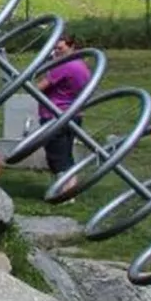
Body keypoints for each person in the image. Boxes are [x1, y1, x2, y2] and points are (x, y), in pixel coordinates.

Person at [34, 32, 90, 199]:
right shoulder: (81, 65)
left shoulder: (64, 66)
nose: (56, 51)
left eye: (60, 48)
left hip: (56, 114)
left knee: (56, 156)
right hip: (74, 114)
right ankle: (69, 191)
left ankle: (64, 193)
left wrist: (44, 69)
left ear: (72, 46)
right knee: (66, 154)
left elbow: (39, 87)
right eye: (54, 48)